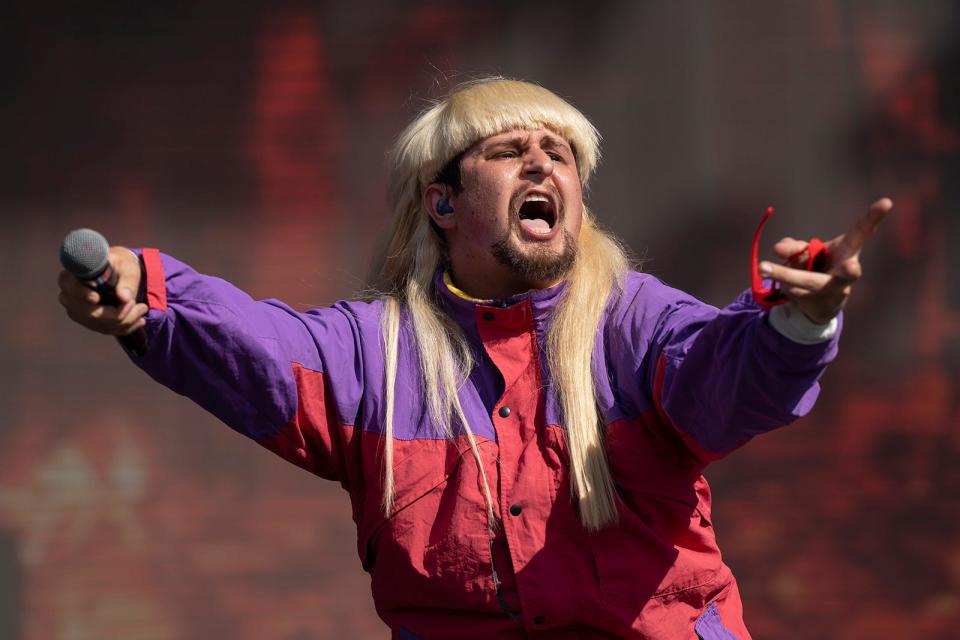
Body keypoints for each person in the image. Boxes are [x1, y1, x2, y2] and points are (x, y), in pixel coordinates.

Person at [57, 78, 891, 639]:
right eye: (508, 150)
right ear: (442, 202)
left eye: (559, 153)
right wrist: (148, 296)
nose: (541, 162)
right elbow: (264, 351)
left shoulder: (634, 319)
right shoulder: (373, 352)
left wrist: (800, 322)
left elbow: (724, 379)